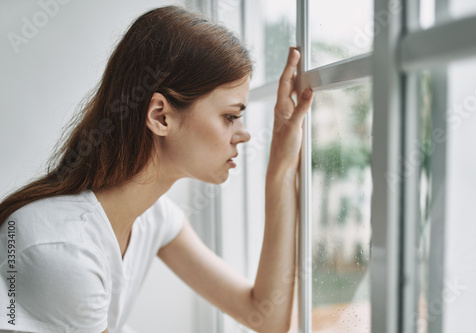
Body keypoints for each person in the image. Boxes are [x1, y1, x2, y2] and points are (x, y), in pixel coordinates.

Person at [0, 5, 313, 333]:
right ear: (160, 116)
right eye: (230, 116)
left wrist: (280, 166)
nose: (244, 133)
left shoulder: (151, 217)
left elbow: (264, 316)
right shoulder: (64, 250)